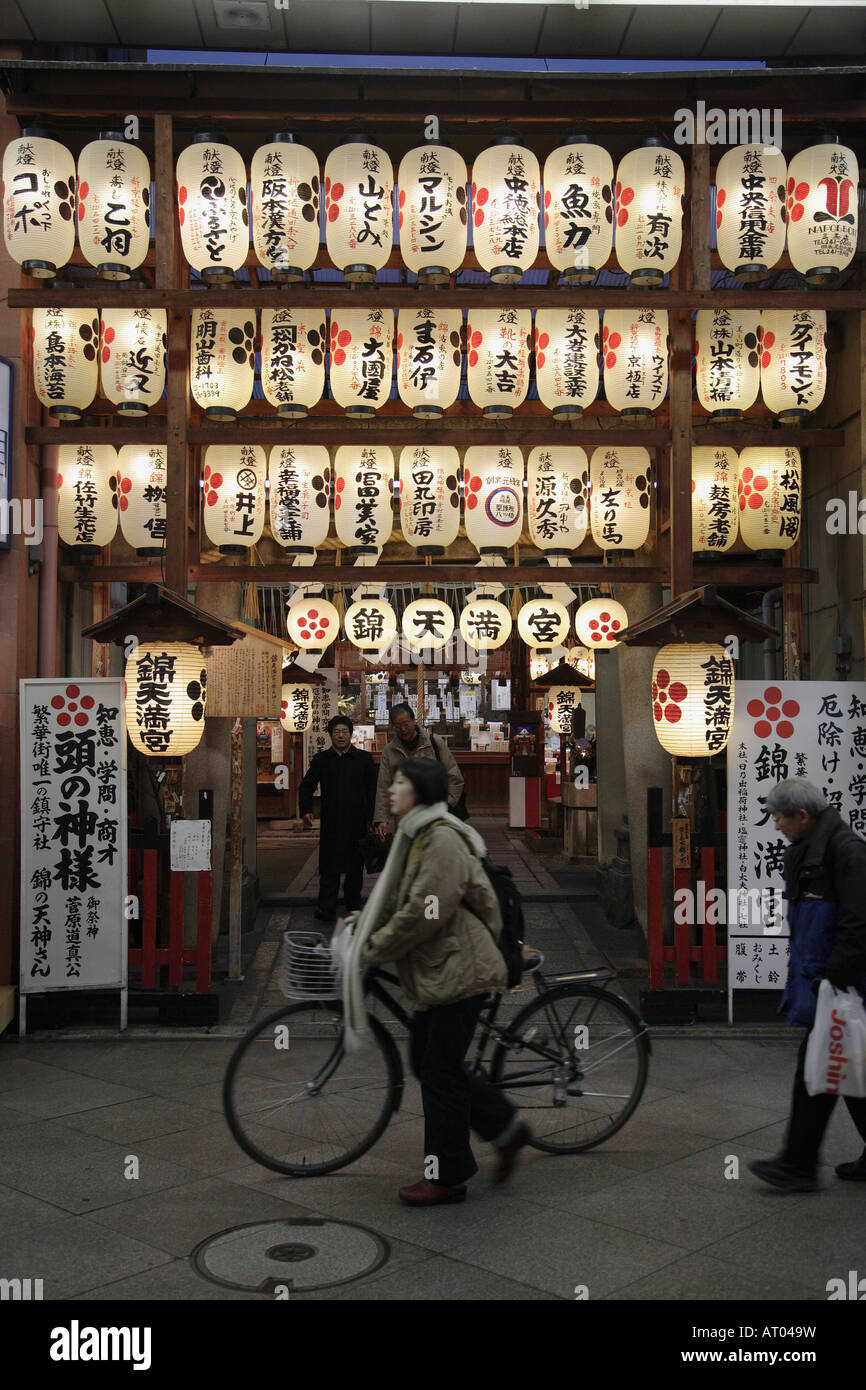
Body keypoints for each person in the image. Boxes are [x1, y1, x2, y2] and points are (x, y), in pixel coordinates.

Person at [344, 756, 531, 1205]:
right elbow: (398, 898)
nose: (391, 789)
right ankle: (506, 1128)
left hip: (460, 970)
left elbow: (423, 911)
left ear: (423, 791)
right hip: (441, 967)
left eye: (401, 783)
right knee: (431, 1064)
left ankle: (447, 1176)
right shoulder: (416, 834)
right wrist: (365, 921)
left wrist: (374, 948)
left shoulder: (441, 839)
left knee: (439, 1070)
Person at [749, 778, 866, 1192]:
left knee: (818, 1069)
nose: (776, 825)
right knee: (845, 1068)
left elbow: (858, 923)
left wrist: (833, 978)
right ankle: (798, 1164)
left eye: (780, 817)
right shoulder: (810, 849)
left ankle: (798, 1166)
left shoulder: (846, 851)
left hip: (842, 984)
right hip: (826, 981)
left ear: (803, 816)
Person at [298, 715, 377, 924]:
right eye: (336, 732)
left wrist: (375, 818)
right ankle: (326, 908)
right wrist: (306, 810)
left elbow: (373, 791)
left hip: (357, 822)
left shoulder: (363, 759)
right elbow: (307, 785)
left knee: (354, 869)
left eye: (344, 731)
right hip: (331, 822)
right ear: (331, 735)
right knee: (328, 867)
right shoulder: (322, 760)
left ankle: (353, 906)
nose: (341, 735)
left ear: (351, 734)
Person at [373, 701, 465, 839]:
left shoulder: (434, 743)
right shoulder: (389, 751)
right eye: (398, 726)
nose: (403, 730)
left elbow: (454, 777)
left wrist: (445, 804)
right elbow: (384, 786)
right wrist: (382, 818)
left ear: (414, 721)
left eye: (406, 724)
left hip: (434, 814)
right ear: (392, 727)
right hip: (405, 817)